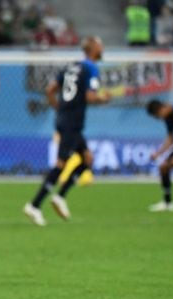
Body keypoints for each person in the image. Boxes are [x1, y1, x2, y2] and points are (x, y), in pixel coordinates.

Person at [24, 36, 111, 226]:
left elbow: (50, 90)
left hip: (65, 119)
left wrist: (59, 109)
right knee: (61, 164)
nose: (102, 48)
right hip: (72, 122)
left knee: (87, 159)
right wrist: (103, 99)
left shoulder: (71, 66)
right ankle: (34, 205)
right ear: (94, 49)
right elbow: (90, 96)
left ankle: (60, 197)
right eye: (100, 45)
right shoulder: (91, 68)